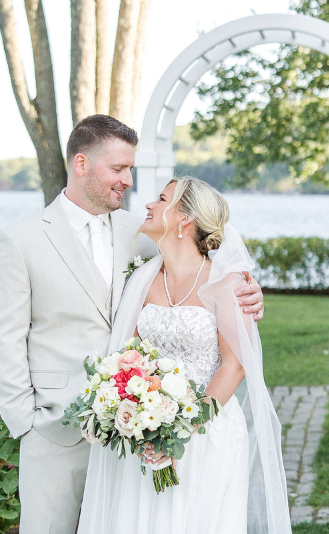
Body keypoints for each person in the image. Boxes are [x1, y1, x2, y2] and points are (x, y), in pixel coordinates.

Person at [0, 115, 265, 534]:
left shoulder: (143, 230)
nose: (128, 181)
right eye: (118, 169)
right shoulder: (21, 239)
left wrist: (250, 292)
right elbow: (3, 336)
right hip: (55, 428)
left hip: (139, 429)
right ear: (81, 164)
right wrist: (25, 422)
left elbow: (209, 258)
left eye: (130, 169)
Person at [77, 177, 292, 534]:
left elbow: (235, 365)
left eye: (161, 199)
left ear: (185, 219)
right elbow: (130, 358)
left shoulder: (227, 282)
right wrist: (137, 415)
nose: (148, 205)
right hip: (148, 429)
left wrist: (181, 432)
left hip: (208, 428)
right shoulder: (144, 280)